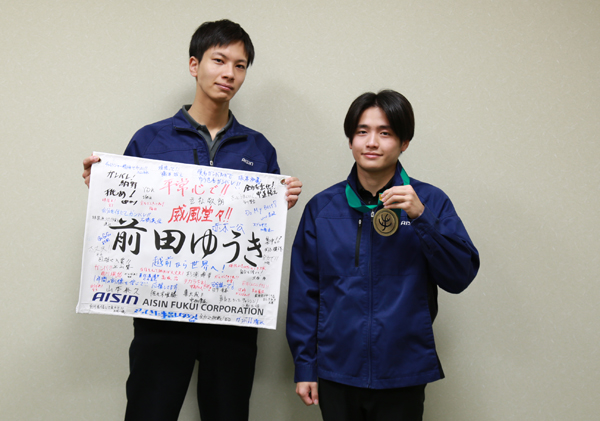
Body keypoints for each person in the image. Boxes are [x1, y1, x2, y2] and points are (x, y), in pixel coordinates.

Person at [82, 19, 302, 421]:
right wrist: (103, 185)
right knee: (149, 411)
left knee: (228, 413)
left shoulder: (258, 149)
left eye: (240, 65)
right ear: (194, 64)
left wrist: (277, 203)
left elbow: (260, 233)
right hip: (161, 311)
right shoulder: (151, 140)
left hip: (233, 314)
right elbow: (125, 216)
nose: (229, 73)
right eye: (219, 60)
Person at [286, 90, 479, 420]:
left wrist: (421, 217)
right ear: (350, 140)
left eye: (385, 133)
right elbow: (305, 293)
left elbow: (459, 276)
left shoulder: (430, 201)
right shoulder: (322, 208)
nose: (372, 142)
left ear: (404, 143)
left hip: (404, 370)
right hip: (336, 370)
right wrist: (305, 365)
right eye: (362, 131)